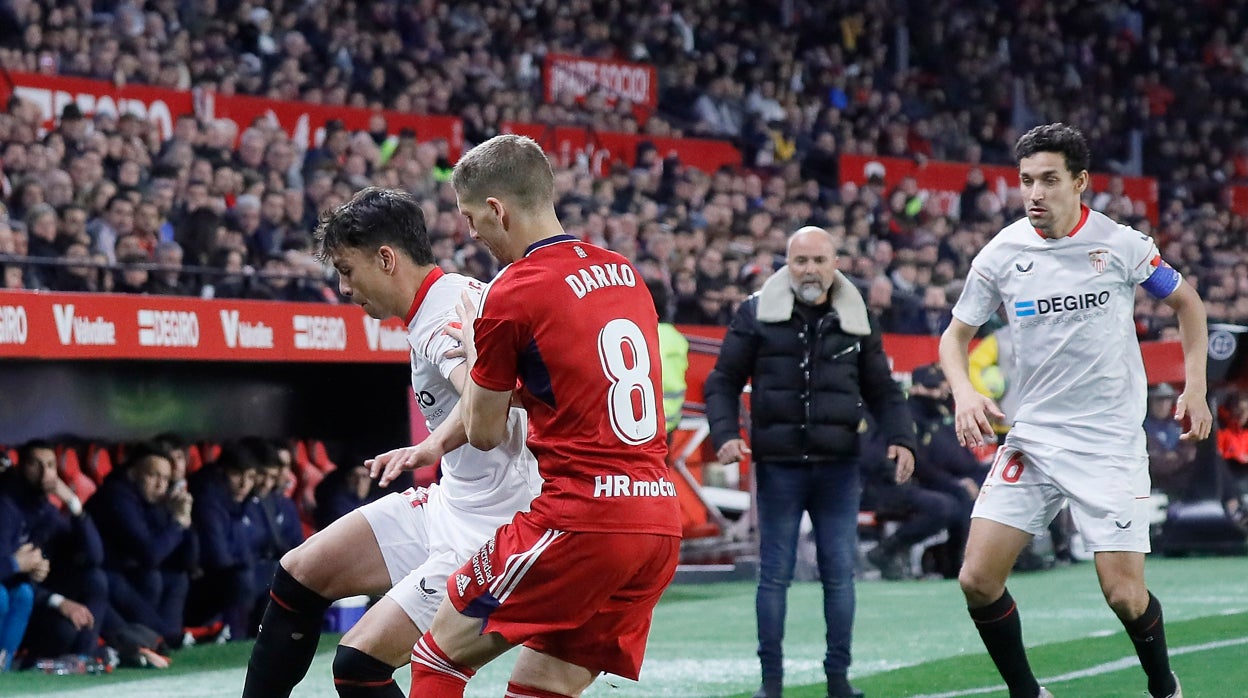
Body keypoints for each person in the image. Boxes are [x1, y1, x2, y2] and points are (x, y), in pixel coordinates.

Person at [939, 122, 1212, 698]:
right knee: (977, 580)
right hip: (1034, 437)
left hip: (1108, 443)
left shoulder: (1121, 245)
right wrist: (964, 391)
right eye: (1025, 181)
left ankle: (1164, 686)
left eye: (1048, 180)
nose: (1034, 194)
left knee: (1124, 596)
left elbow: (1188, 304)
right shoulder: (1002, 254)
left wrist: (1195, 387)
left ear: (1080, 181)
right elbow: (954, 336)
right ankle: (1028, 693)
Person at [406, 134, 681, 697]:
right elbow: (578, 386)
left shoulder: (512, 290)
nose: (471, 233)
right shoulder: (625, 273)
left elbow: (484, 434)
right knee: (541, 688)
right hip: (657, 520)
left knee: (436, 658)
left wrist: (477, 349)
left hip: (584, 520)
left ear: (497, 209)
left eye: (470, 218)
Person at [241, 186, 540, 698]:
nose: (342, 288)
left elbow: (494, 394)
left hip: (495, 530)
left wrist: (433, 442)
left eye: (346, 270)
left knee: (359, 665)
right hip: (454, 502)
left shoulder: (441, 320)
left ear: (386, 258)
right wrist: (435, 447)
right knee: (298, 574)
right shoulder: (449, 297)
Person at [704, 225, 916, 698]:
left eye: (819, 260)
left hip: (838, 467)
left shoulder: (858, 316)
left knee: (839, 576)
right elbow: (722, 381)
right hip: (778, 466)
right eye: (801, 261)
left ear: (835, 264)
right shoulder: (755, 312)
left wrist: (902, 438)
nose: (810, 270)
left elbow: (882, 389)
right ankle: (771, 685)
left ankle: (838, 681)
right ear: (787, 264)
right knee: (774, 576)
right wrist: (725, 434)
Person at [0, 440, 109, 665]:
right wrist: (18, 566)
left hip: (34, 594)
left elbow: (94, 557)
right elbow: (10, 569)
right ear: (21, 467)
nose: (45, 473)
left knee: (95, 579)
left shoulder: (46, 510)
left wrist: (73, 503)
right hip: (21, 595)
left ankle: (82, 659)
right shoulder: (7, 505)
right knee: (14, 595)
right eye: (36, 464)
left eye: (50, 465)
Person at [86, 442, 196, 649]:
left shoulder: (155, 501)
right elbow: (150, 554)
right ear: (134, 473)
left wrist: (185, 521)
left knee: (177, 578)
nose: (160, 485)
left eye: (166, 479)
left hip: (130, 570)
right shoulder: (116, 496)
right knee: (146, 577)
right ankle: (162, 637)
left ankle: (168, 639)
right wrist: (176, 525)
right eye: (153, 475)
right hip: (99, 572)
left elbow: (188, 561)